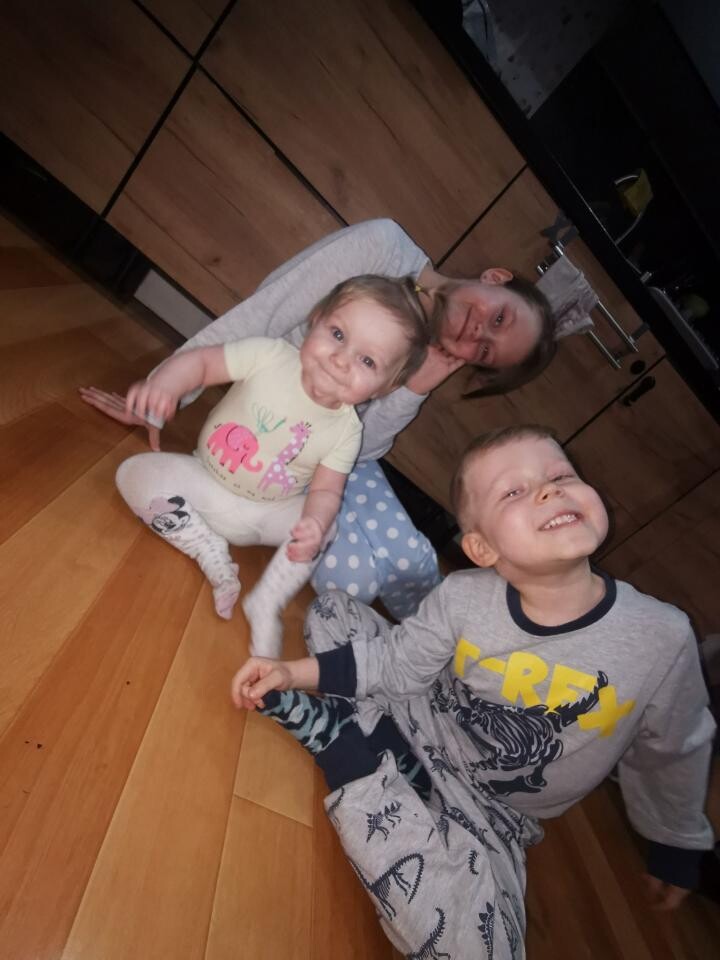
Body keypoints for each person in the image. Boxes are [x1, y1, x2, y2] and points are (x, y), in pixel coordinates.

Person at [230, 424, 715, 958]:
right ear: (482, 548)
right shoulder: (463, 597)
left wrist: (676, 843)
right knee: (332, 611)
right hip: (428, 720)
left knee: (475, 948)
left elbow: (674, 748)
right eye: (514, 491)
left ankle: (364, 751)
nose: (549, 491)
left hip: (496, 812)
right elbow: (396, 663)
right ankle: (349, 748)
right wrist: (290, 674)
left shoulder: (663, 637)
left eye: (561, 476)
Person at [80, 219, 555, 621]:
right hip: (271, 426)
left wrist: (414, 389)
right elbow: (266, 311)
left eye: (484, 352)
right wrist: (163, 388)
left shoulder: (417, 360)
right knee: (355, 577)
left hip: (317, 462)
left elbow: (359, 450)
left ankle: (436, 642)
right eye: (500, 318)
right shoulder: (383, 247)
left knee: (395, 566)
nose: (478, 333)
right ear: (495, 278)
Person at [114, 274, 428, 655]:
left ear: (385, 387)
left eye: (367, 361)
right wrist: (166, 383)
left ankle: (266, 602)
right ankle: (204, 546)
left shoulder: (347, 431)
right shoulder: (268, 355)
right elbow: (202, 364)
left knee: (327, 529)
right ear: (316, 317)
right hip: (204, 482)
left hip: (266, 516)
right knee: (133, 473)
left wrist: (314, 524)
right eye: (338, 334)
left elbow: (327, 490)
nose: (341, 360)